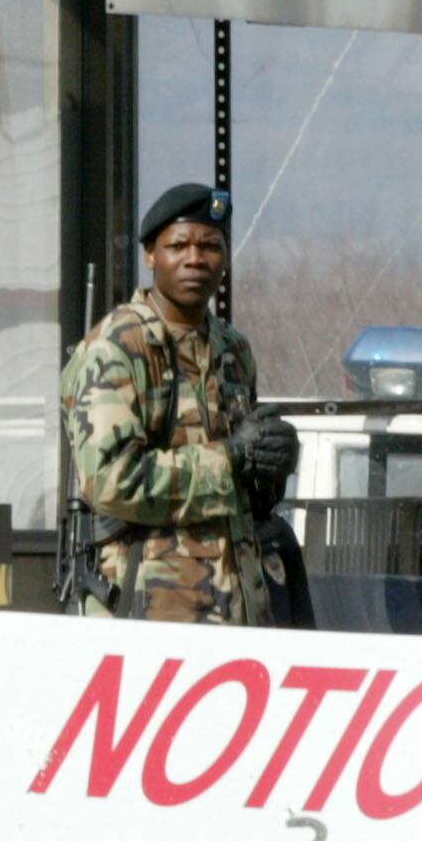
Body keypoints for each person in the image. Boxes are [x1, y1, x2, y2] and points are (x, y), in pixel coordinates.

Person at [58, 183, 300, 625]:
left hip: (239, 607)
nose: (195, 259)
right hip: (149, 609)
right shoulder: (118, 346)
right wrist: (231, 458)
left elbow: (244, 485)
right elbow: (112, 481)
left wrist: (273, 464)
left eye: (210, 246)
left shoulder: (233, 349)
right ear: (150, 255)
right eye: (178, 246)